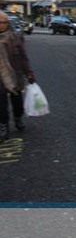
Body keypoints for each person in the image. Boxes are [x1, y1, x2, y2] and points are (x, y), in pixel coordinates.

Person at [0, 12, 36, 142]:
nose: (2, 25)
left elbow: (23, 58)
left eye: (4, 22)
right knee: (1, 104)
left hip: (15, 75)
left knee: (17, 102)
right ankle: (3, 126)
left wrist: (29, 74)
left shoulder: (15, 38)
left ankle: (18, 118)